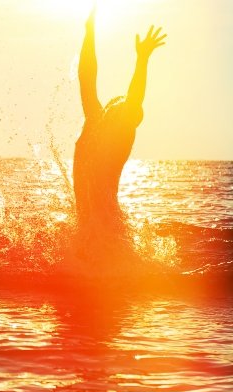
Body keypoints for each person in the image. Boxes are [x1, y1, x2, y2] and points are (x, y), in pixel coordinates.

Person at [73, 7, 166, 245]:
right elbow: (87, 76)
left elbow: (134, 97)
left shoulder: (119, 139)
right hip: (88, 225)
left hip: (107, 225)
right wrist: (89, 32)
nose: (118, 105)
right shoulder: (95, 121)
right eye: (118, 103)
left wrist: (142, 59)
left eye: (124, 109)